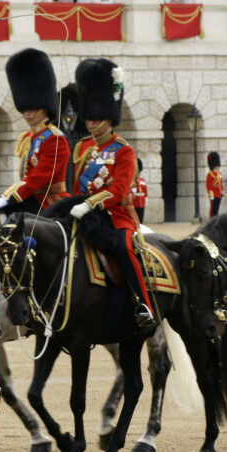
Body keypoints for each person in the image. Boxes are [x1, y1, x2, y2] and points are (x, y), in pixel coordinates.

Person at [69, 57, 156, 331]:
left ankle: (142, 303)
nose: (92, 123)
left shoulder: (124, 151)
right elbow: (75, 188)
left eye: (97, 118)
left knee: (124, 247)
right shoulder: (82, 149)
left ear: (110, 118)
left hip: (115, 216)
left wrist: (90, 204)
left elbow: (118, 191)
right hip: (83, 214)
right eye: (90, 117)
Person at [0, 48, 70, 214]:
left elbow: (38, 178)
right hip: (29, 198)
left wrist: (7, 197)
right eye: (24, 108)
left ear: (44, 107)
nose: (27, 112)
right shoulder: (28, 137)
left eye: (31, 108)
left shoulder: (55, 140)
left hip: (50, 202)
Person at [205, 151, 223, 218]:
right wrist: (210, 193)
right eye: (217, 166)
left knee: (217, 209)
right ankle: (211, 219)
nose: (218, 167)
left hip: (218, 194)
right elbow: (208, 185)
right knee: (213, 209)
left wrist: (222, 191)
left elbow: (221, 184)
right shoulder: (210, 174)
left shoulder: (219, 174)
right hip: (213, 194)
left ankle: (215, 219)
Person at [130, 158, 148, 223]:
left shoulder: (142, 181)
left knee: (140, 221)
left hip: (141, 204)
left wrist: (145, 202)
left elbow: (145, 193)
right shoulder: (132, 181)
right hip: (134, 204)